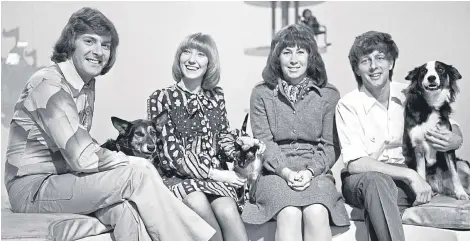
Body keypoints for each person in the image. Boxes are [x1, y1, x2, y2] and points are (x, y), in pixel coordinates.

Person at [4, 7, 215, 241]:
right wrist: (133, 161)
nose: (99, 51)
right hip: (32, 189)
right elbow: (82, 157)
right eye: (89, 41)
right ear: (71, 42)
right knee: (138, 174)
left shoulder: (85, 85)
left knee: (126, 210)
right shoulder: (48, 85)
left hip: (62, 180)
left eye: (105, 45)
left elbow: (80, 148)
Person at [335, 31, 465, 241]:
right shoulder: (348, 105)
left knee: (384, 194)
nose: (374, 66)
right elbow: (356, 163)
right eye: (365, 61)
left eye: (380, 58)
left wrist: (456, 137)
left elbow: (448, 122)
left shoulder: (411, 94)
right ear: (357, 70)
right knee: (376, 183)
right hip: (362, 181)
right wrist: (411, 176)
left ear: (391, 63)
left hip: (402, 185)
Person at [147, 32, 265, 241]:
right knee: (197, 203)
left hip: (213, 178)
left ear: (209, 63)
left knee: (228, 211)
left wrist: (245, 146)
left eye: (200, 54)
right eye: (186, 52)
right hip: (177, 178)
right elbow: (169, 155)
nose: (192, 59)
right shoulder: (161, 98)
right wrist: (217, 174)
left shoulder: (215, 96)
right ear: (179, 58)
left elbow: (223, 140)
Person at [241, 24, 350, 241]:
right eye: (286, 52)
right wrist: (286, 172)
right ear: (276, 57)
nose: (293, 60)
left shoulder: (329, 95)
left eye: (301, 52)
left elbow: (330, 146)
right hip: (274, 174)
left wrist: (310, 172)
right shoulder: (261, 93)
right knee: (289, 211)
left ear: (311, 57)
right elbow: (265, 143)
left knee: (316, 211)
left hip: (316, 173)